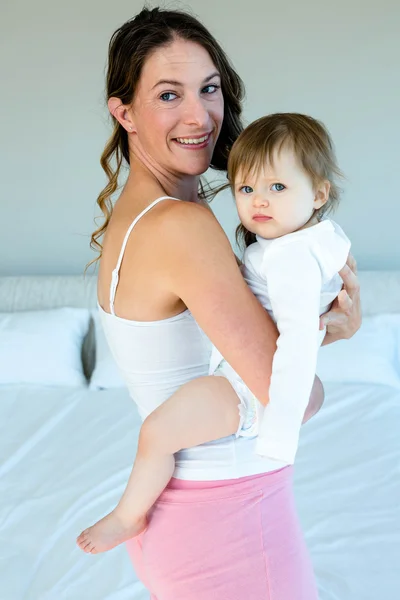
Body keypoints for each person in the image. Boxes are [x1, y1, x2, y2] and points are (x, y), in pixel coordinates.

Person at [77, 8, 361, 600]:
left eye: (209, 89)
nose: (198, 115)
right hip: (228, 519)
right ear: (123, 111)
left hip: (187, 520)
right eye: (167, 94)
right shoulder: (182, 226)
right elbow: (290, 398)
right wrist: (332, 335)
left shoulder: (132, 221)